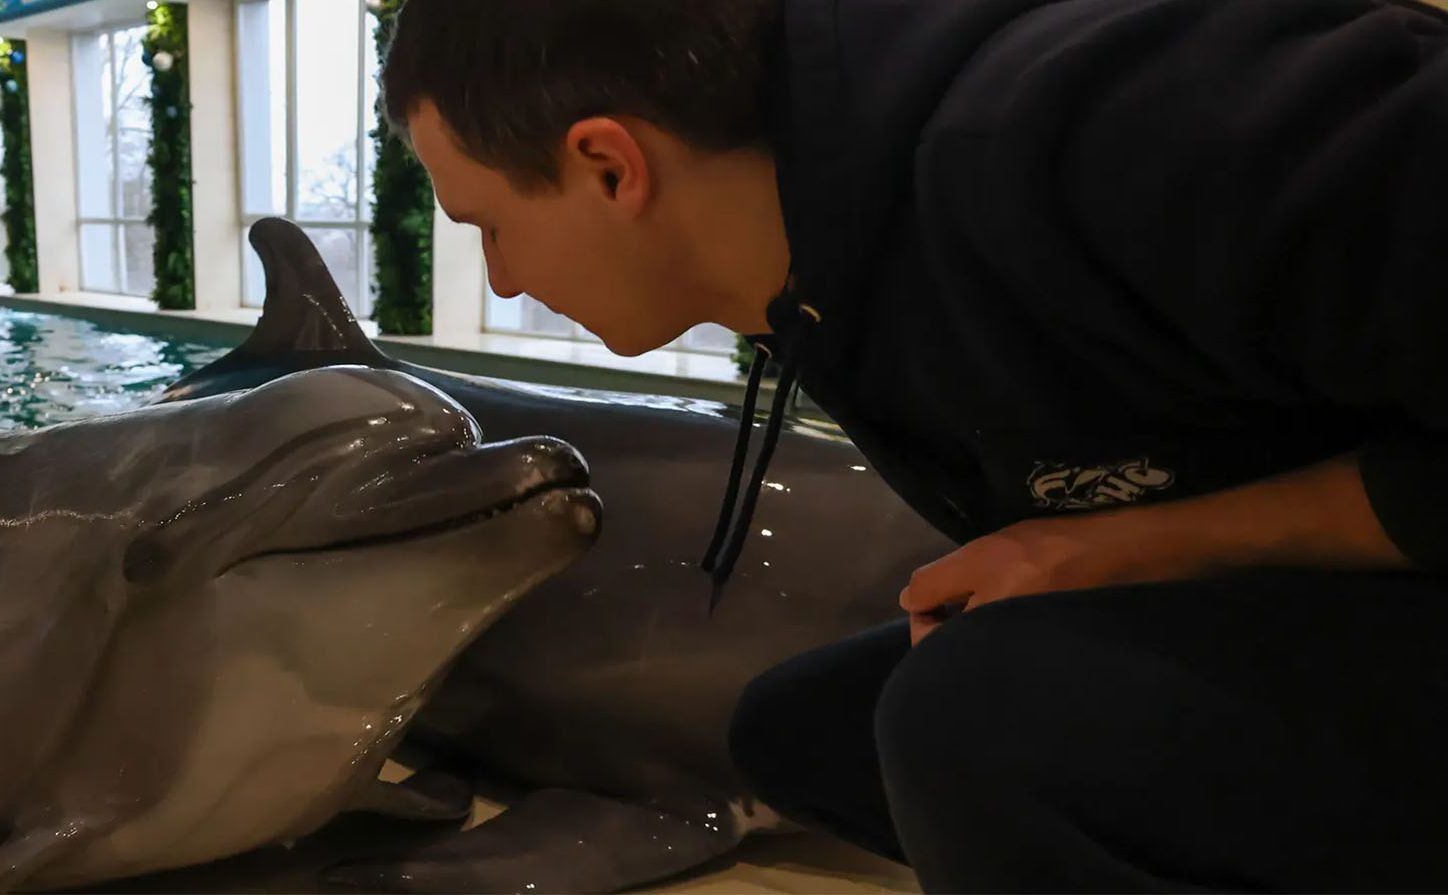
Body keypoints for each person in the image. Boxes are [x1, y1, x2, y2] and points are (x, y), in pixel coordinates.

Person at [378, 0, 1447, 890]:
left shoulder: (1113, 128)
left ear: (611, 165)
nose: (504, 279)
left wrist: (1159, 545)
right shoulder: (823, 262)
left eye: (487, 226)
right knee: (809, 730)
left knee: (981, 721)